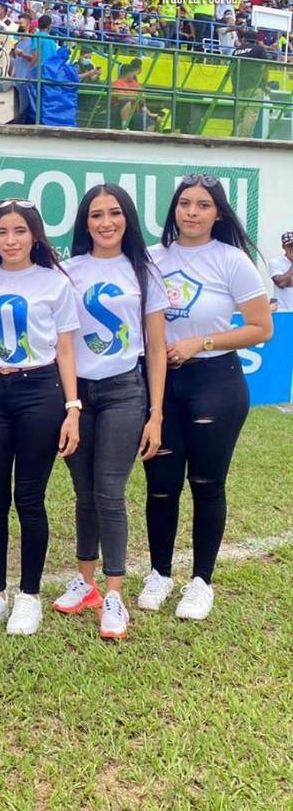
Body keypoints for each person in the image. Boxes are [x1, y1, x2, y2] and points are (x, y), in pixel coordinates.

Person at [140, 175, 273, 620]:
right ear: (173, 209)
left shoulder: (232, 260)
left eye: (202, 205)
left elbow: (261, 328)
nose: (192, 213)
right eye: (184, 204)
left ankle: (201, 581)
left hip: (215, 382)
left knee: (206, 484)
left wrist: (202, 342)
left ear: (218, 213)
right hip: (159, 382)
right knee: (161, 484)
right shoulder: (152, 257)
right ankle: (160, 573)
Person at [52, 185, 168, 639]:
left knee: (109, 491)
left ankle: (115, 593)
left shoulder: (143, 270)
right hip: (77, 395)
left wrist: (155, 413)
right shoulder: (68, 270)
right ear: (85, 222)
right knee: (84, 492)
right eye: (96, 215)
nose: (106, 222)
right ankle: (86, 583)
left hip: (124, 392)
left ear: (127, 219)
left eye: (114, 213)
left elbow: (155, 348)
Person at [0, 200, 80, 637]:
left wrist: (72, 408)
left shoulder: (55, 282)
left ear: (35, 236)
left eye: (19, 231)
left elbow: (65, 351)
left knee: (29, 498)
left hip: (39, 391)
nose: (10, 240)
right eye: (2, 232)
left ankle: (29, 596)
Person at [268, 231, 293, 312]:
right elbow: (282, 283)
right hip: (283, 311)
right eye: (290, 245)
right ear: (284, 247)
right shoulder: (276, 262)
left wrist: (287, 280)